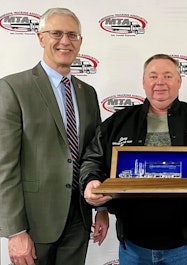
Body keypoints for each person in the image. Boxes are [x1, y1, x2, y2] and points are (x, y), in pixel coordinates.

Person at [80, 53, 187, 265]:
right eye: (153, 76)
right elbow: (92, 159)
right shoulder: (118, 123)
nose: (160, 82)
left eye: (168, 75)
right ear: (144, 82)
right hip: (134, 246)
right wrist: (90, 182)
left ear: (179, 80)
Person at [0, 8, 108, 265]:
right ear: (40, 38)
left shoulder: (87, 93)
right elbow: (5, 165)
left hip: (79, 218)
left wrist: (102, 209)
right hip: (35, 223)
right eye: (56, 33)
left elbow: (96, 154)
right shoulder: (13, 88)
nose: (65, 41)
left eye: (72, 35)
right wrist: (15, 231)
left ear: (80, 42)